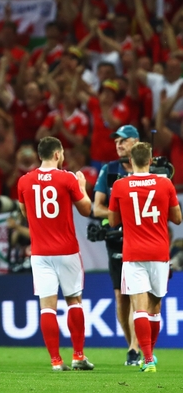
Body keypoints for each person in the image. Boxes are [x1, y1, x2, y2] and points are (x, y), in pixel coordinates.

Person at [16, 137, 94, 371]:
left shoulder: (24, 181)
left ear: (40, 155)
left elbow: (25, 212)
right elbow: (86, 209)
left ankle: (56, 361)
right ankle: (78, 356)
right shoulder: (67, 178)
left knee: (47, 306)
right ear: (58, 154)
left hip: (40, 253)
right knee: (74, 301)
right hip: (67, 250)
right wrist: (82, 187)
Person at [108, 142, 182, 373]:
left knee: (139, 308)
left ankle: (148, 359)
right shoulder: (165, 183)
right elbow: (177, 219)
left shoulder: (120, 185)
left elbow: (113, 222)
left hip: (133, 254)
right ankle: (150, 355)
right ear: (150, 161)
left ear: (130, 161)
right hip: (159, 253)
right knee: (155, 308)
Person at [92, 124, 140, 365]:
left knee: (138, 293)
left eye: (123, 140)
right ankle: (132, 346)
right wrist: (121, 215)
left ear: (136, 142)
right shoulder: (109, 170)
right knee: (121, 297)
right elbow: (96, 207)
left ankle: (136, 347)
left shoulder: (148, 168)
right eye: (116, 141)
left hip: (142, 239)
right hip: (116, 239)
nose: (118, 144)